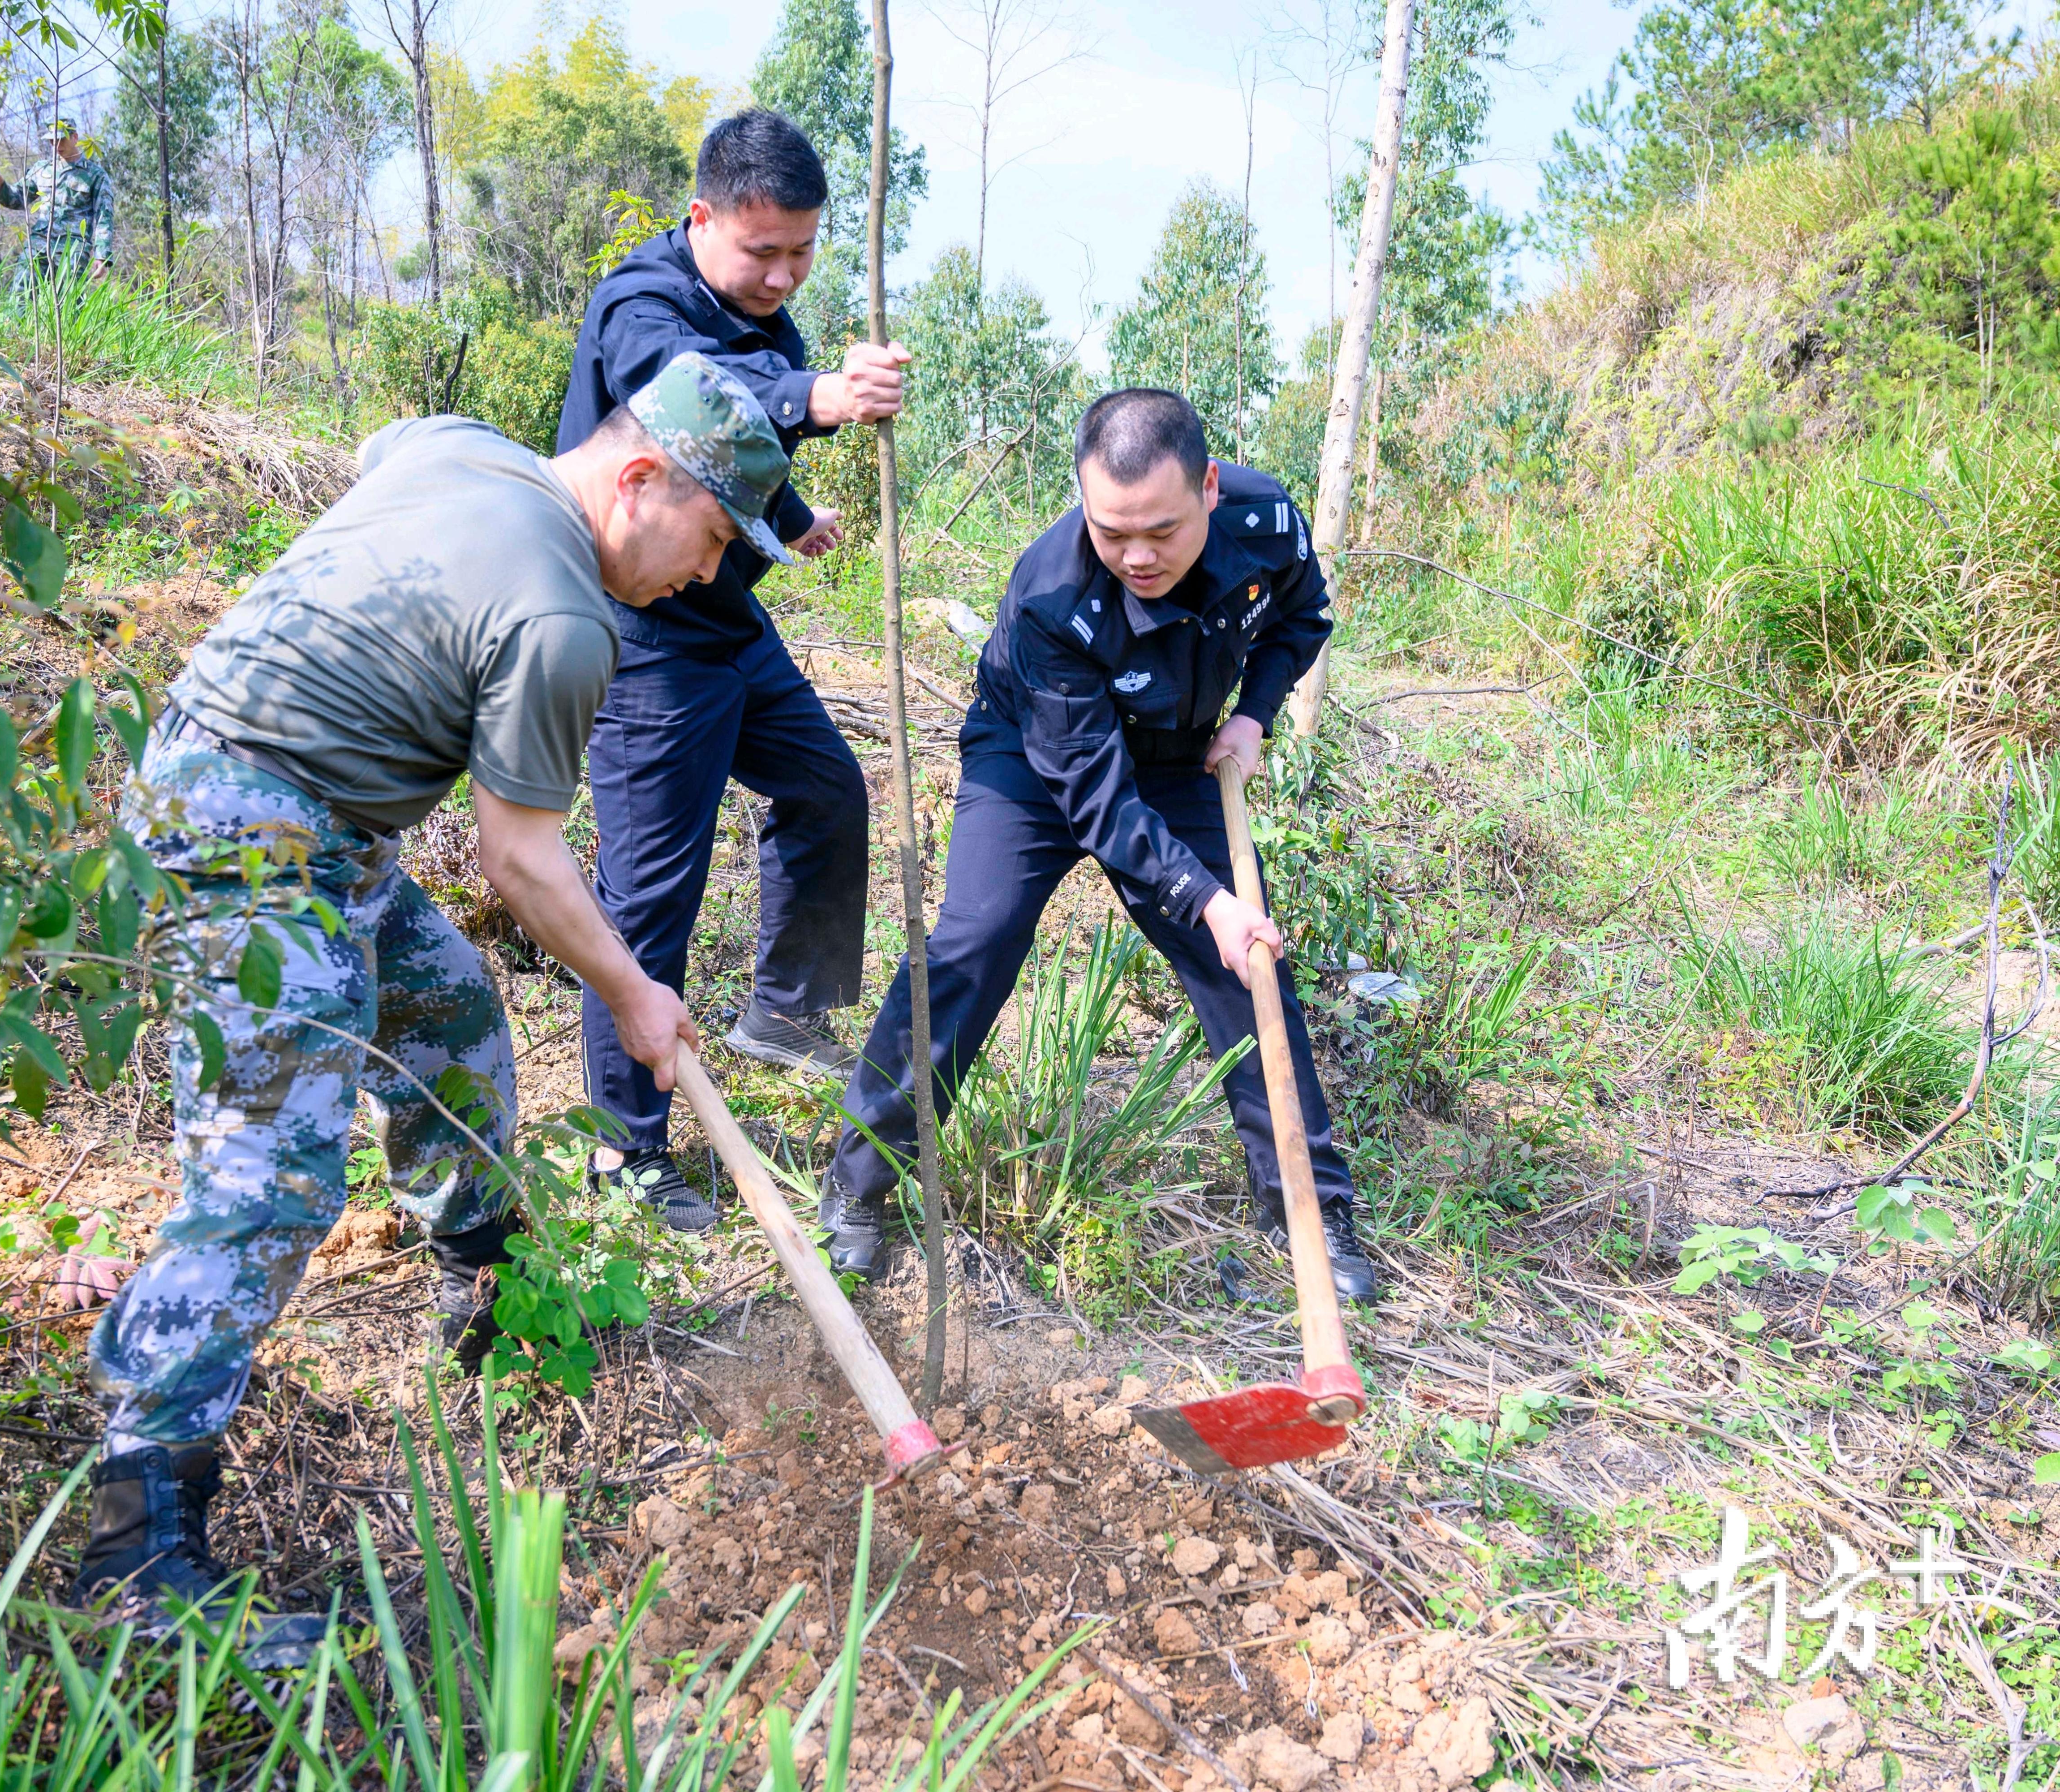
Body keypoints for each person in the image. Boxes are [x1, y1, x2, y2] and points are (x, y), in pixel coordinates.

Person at [76, 353, 795, 1636]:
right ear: (637, 478)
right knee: (272, 1175)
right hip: (251, 824)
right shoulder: (566, 621)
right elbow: (521, 859)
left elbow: (378, 441)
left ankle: (483, 1290)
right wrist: (634, 993)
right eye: (711, 539)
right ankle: (136, 1553)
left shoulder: (463, 448)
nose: (705, 576)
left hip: (300, 814)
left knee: (448, 1012)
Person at [818, 388, 1379, 1304]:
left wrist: (1251, 713)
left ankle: (1308, 1209)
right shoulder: (1049, 594)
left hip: (1179, 753)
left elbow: (1299, 617)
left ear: (1206, 487)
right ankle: (861, 1179)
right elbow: (1097, 802)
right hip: (1037, 761)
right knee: (974, 940)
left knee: (1244, 963)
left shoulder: (1266, 522)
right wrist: (1204, 895)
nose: (1135, 556)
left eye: (1159, 529)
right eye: (1110, 531)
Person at [556, 107, 908, 1229]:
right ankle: (624, 1153)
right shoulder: (642, 303)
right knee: (649, 897)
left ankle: (785, 1014)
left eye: (802, 251)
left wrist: (790, 518)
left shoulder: (763, 305)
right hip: (646, 633)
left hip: (726, 623)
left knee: (824, 788)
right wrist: (817, 396)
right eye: (761, 251)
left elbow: (741, 453)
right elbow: (696, 394)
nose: (782, 273)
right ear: (701, 216)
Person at [0, 116, 112, 289]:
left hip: (74, 249)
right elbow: (18, 199)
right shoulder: (42, 169)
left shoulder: (95, 175)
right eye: (52, 141)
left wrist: (102, 255)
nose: (57, 145)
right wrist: (1, 185)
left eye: (61, 140)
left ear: (75, 138)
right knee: (21, 293)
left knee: (69, 304)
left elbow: (105, 216)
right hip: (40, 243)